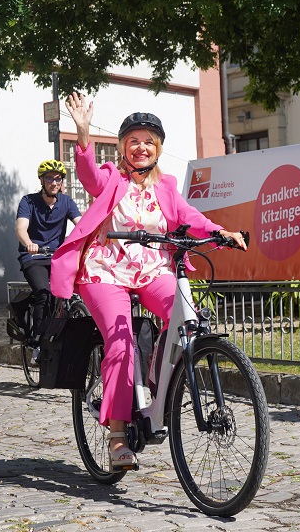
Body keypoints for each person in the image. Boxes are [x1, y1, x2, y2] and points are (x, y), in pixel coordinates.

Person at [52, 92, 247, 472]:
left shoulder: (167, 187)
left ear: (157, 149)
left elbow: (189, 217)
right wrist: (83, 132)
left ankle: (154, 388)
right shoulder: (112, 178)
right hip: (105, 271)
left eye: (149, 142)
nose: (141, 148)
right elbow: (89, 174)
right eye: (134, 141)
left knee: (188, 319)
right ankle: (118, 436)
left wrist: (221, 232)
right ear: (124, 147)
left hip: (152, 270)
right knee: (121, 342)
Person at [15, 159, 82, 337]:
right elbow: (21, 228)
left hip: (57, 257)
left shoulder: (67, 202)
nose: (54, 183)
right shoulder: (28, 201)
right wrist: (29, 243)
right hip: (33, 257)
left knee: (72, 293)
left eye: (58, 179)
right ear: (42, 181)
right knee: (44, 293)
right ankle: (38, 340)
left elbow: (81, 225)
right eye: (50, 179)